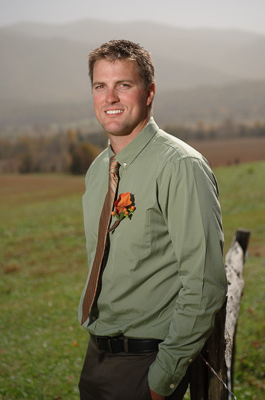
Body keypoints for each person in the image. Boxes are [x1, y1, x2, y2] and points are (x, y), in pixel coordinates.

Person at [78, 39, 227, 400]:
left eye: (123, 85)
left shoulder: (180, 167)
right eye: (101, 86)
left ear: (150, 93)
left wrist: (163, 378)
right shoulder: (99, 170)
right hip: (96, 358)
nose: (109, 98)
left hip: (146, 364)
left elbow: (205, 283)